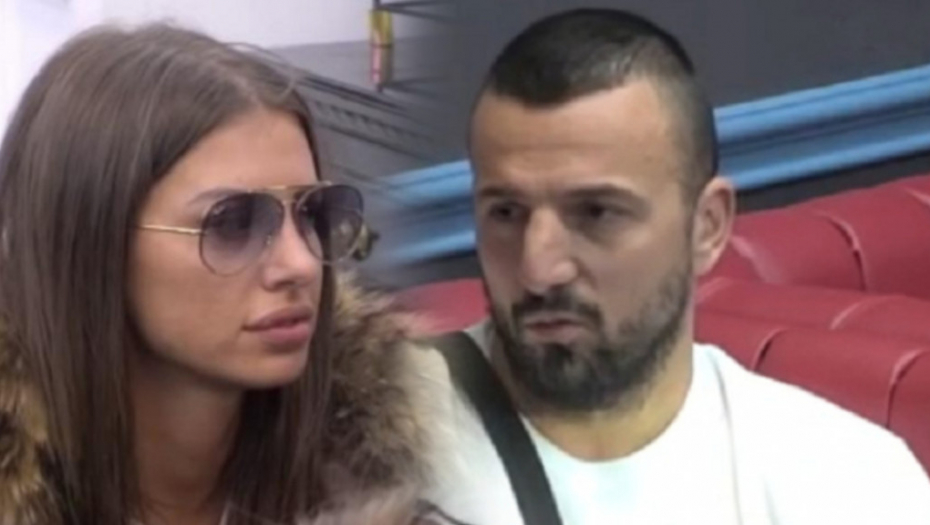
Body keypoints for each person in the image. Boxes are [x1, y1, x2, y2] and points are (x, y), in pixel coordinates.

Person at [419, 8, 930, 524]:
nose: (538, 269)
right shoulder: (383, 450)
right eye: (506, 213)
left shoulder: (849, 485)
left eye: (596, 212)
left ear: (707, 226)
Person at [0, 23, 451, 525]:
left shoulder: (406, 469)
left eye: (313, 214)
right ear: (91, 243)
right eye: (232, 223)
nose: (301, 265)